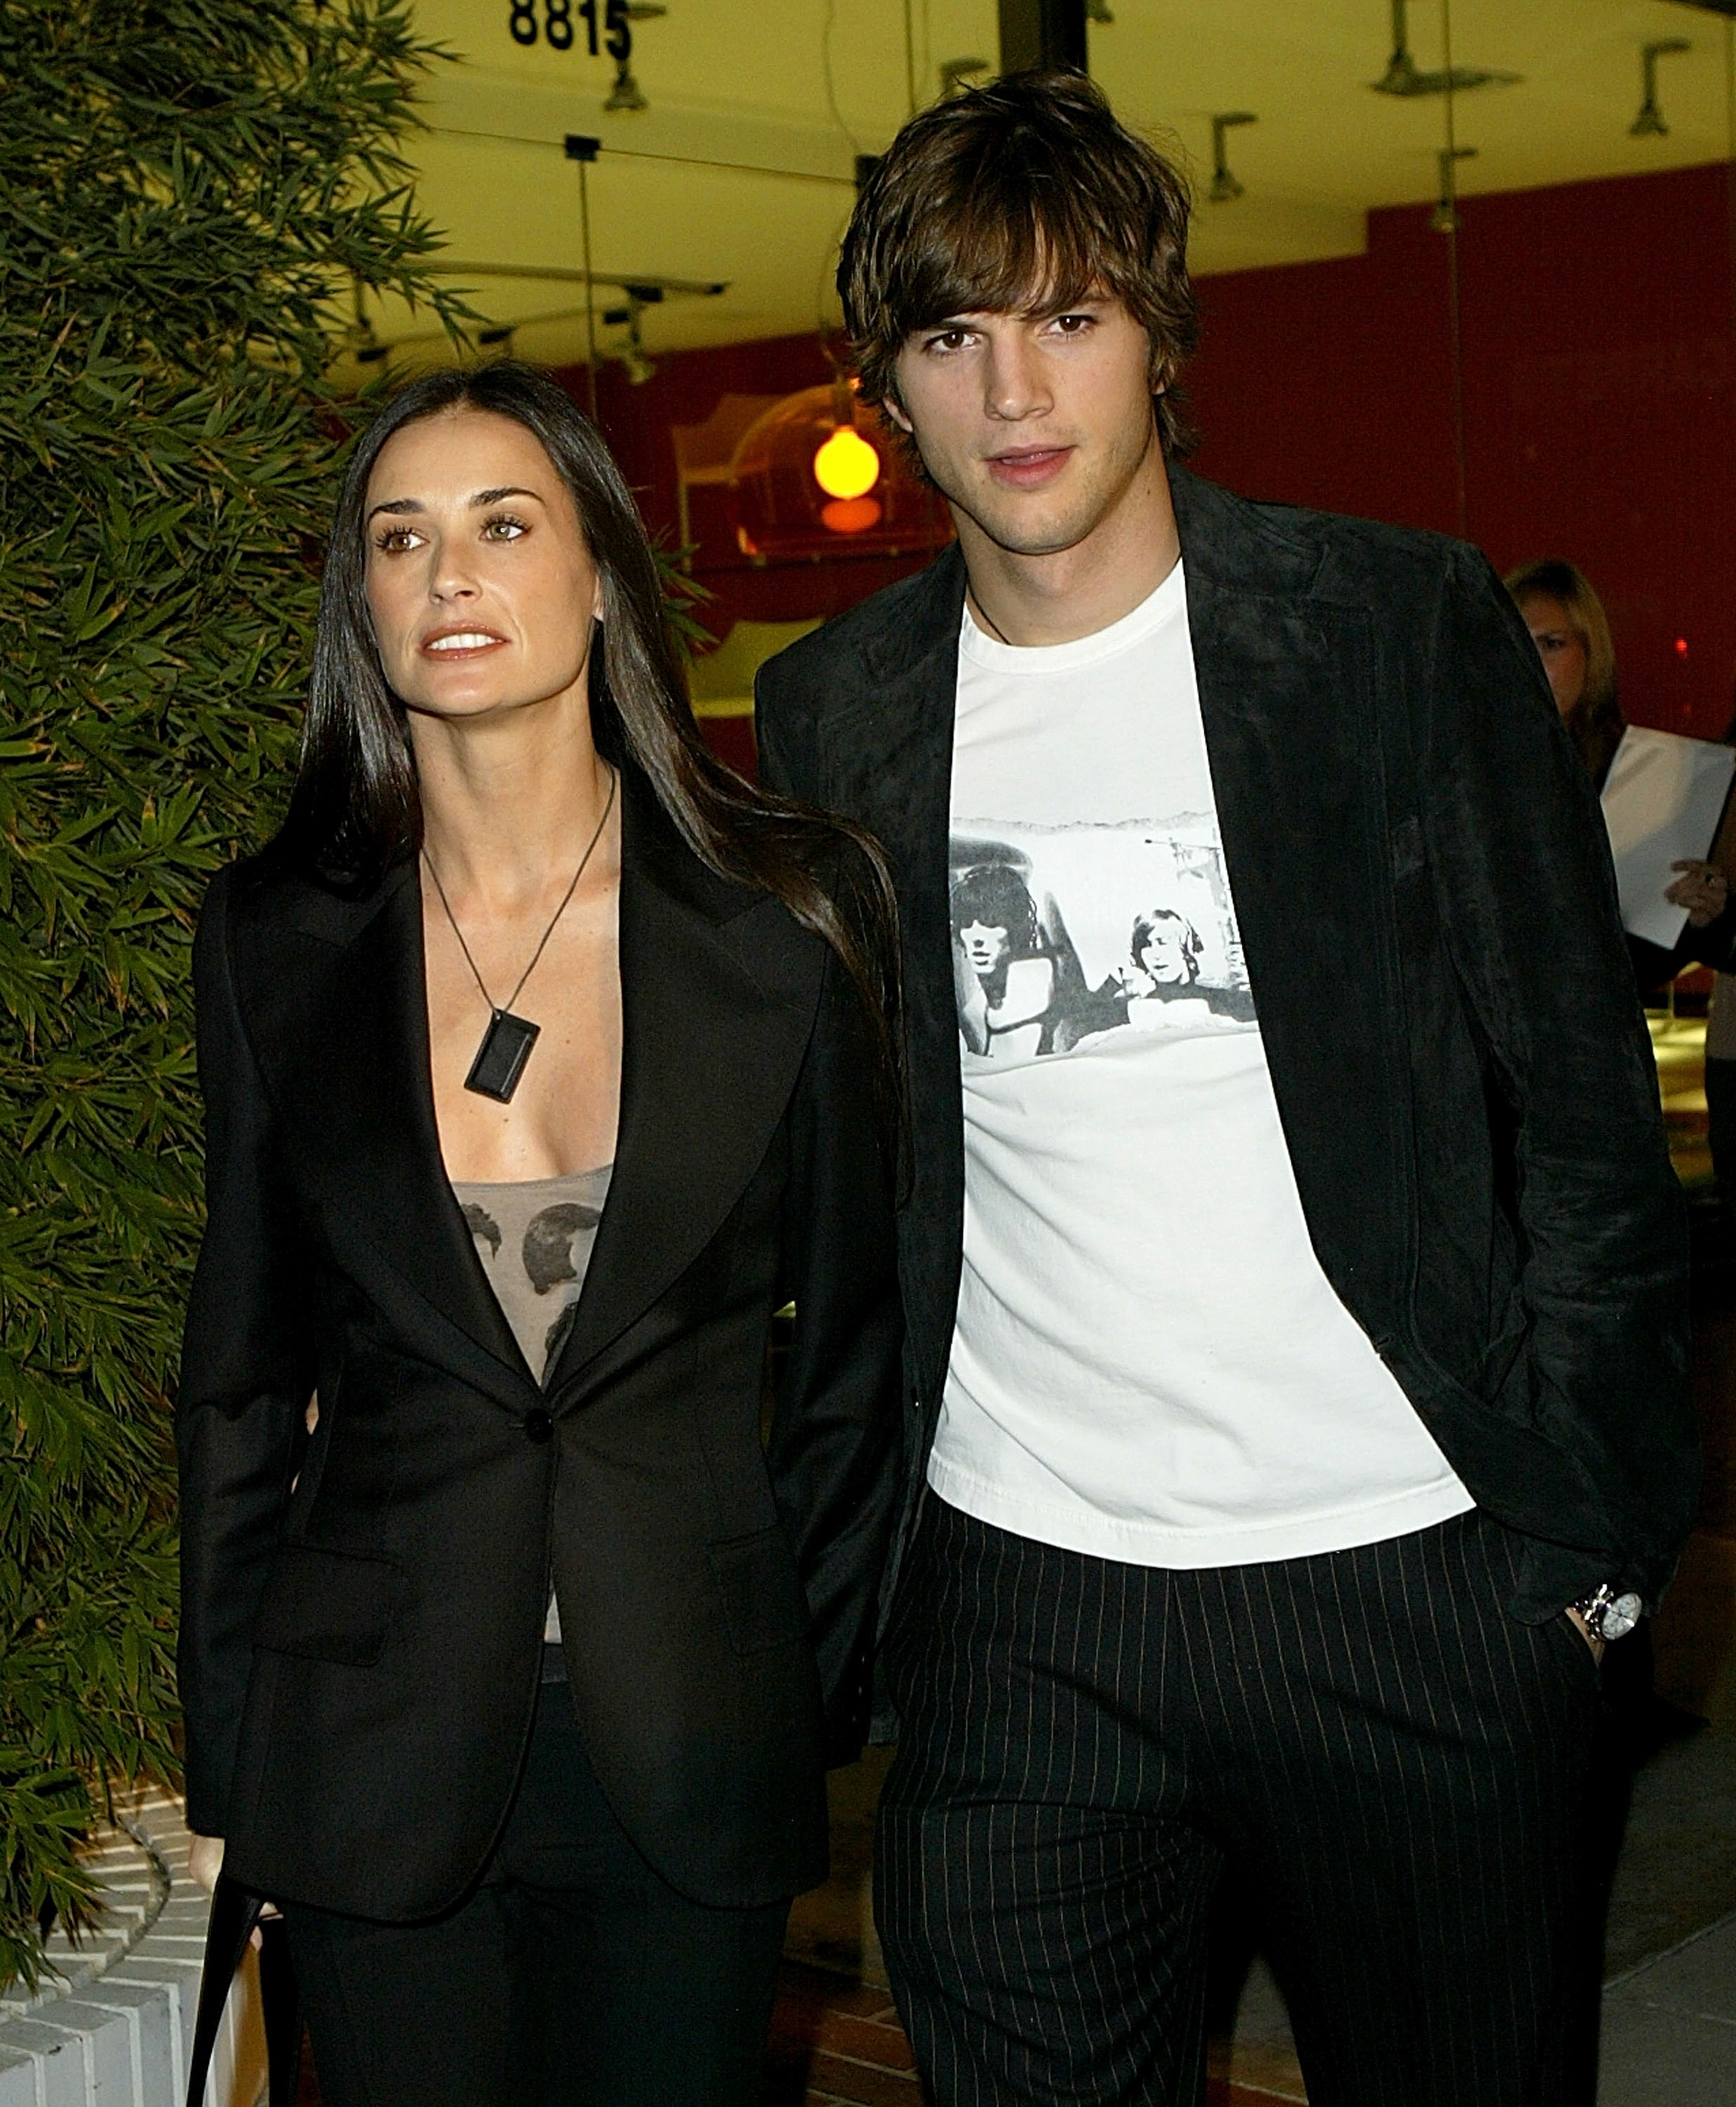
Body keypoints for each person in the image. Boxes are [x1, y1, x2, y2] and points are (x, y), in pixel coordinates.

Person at [755, 74, 1697, 2107]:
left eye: (1070, 318)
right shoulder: (836, 707)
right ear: (889, 387)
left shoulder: (1388, 629)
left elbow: (1583, 1113)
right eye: (952, 333)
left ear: (1161, 342)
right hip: (1021, 1609)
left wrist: (1589, 1556)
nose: (1015, 389)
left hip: (1409, 1577)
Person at [176, 361, 902, 2107]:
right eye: (398, 538)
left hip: (690, 1728)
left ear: (599, 578)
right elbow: (240, 1377)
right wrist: (240, 1758)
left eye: (503, 525)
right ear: (361, 605)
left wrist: (785, 1687)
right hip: (369, 1740)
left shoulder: (787, 917)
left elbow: (858, 1368)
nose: (448, 572)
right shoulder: (271, 936)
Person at [1506, 556, 1733, 990]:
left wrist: (1697, 916)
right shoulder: (1454, 772)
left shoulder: (1635, 773)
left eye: (1551, 644)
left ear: (1590, 656)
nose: (1529, 661)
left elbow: (1636, 970)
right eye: (1513, 641)